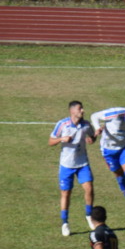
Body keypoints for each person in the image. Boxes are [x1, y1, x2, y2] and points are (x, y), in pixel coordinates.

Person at [50, 100, 97, 236]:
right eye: (79, 109)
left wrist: (91, 140)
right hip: (66, 165)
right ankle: (65, 223)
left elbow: (92, 136)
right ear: (72, 111)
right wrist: (61, 139)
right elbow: (50, 141)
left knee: (89, 188)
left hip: (82, 164)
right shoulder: (62, 124)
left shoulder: (86, 125)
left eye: (82, 108)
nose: (82, 111)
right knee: (66, 193)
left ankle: (89, 216)